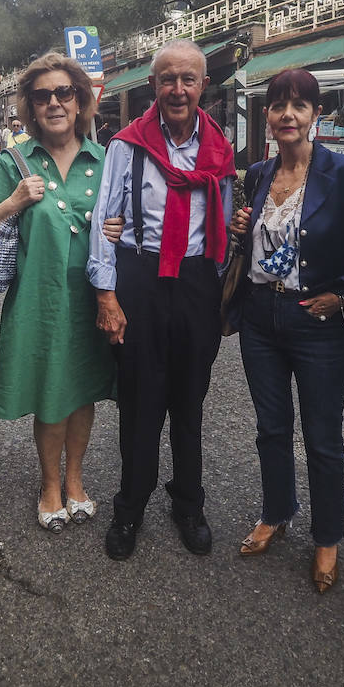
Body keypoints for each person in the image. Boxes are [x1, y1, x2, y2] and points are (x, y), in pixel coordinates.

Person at [223, 69, 344, 593]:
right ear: (267, 115)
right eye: (278, 106)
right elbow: (252, 244)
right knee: (271, 427)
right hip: (261, 317)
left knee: (323, 437)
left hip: (316, 322)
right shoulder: (258, 173)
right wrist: (239, 231)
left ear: (316, 115)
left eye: (299, 106)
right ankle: (276, 510)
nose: (288, 115)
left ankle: (327, 536)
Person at [88, 39, 236, 560]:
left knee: (190, 402)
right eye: (167, 79)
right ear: (153, 86)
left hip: (196, 283)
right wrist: (106, 294)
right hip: (141, 278)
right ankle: (129, 508)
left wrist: (218, 283)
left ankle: (187, 504)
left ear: (203, 86)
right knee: (140, 403)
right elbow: (102, 225)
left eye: (188, 79)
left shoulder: (219, 147)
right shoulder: (124, 146)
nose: (177, 89)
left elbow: (226, 219)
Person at [0, 54, 116, 535]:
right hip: (40, 300)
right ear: (31, 108)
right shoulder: (14, 162)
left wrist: (118, 228)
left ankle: (76, 479)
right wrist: (14, 202)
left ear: (80, 101)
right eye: (42, 96)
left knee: (83, 391)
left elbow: (129, 224)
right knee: (53, 395)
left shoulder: (104, 160)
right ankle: (50, 484)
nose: (54, 103)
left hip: (94, 298)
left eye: (64, 93)